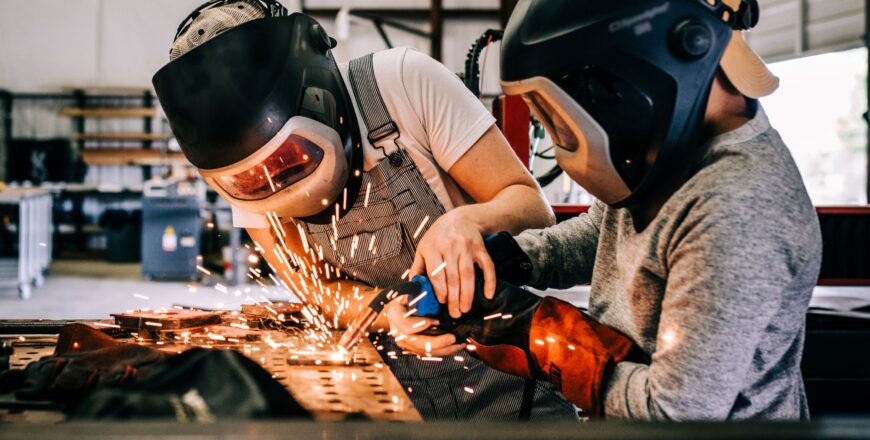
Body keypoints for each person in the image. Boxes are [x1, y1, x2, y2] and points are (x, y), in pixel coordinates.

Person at [397, 0, 823, 420]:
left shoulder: (737, 208)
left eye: (555, 116)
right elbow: (600, 236)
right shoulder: (667, 152)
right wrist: (508, 260)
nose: (555, 133)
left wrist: (536, 335)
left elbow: (676, 412)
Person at [152, 0, 575, 420]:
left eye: (289, 158)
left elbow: (533, 208)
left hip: (507, 380)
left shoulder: (401, 83)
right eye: (252, 181)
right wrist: (391, 311)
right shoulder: (242, 171)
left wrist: (467, 221)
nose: (273, 179)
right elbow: (315, 289)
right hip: (386, 396)